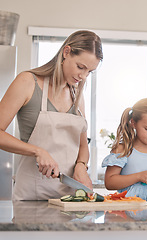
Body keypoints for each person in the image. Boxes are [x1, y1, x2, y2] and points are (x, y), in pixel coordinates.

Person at [0, 30, 102, 200]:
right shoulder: (27, 82)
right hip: (31, 198)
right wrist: (37, 151)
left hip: (68, 199)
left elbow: (83, 145)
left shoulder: (77, 94)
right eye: (80, 67)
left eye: (89, 72)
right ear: (66, 52)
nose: (83, 76)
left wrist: (81, 166)